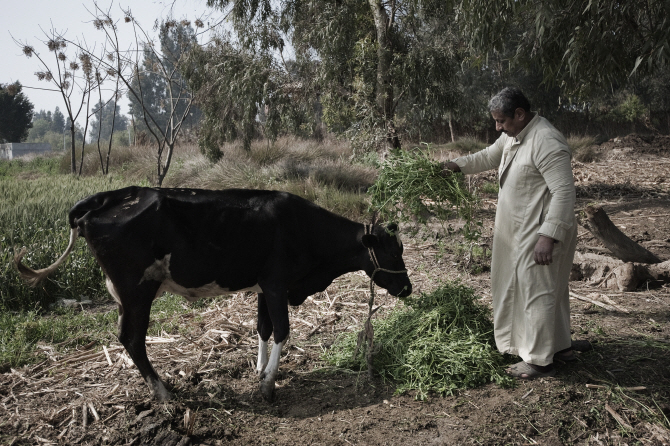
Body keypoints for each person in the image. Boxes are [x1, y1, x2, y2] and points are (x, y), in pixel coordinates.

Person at [443, 87, 578, 379]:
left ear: (520, 114)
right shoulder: (514, 135)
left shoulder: (546, 141)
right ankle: (561, 347)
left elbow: (564, 192)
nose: (497, 127)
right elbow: (488, 156)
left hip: (540, 232)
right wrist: (456, 166)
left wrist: (548, 235)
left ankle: (540, 360)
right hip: (520, 230)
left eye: (501, 121)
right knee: (549, 289)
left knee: (538, 291)